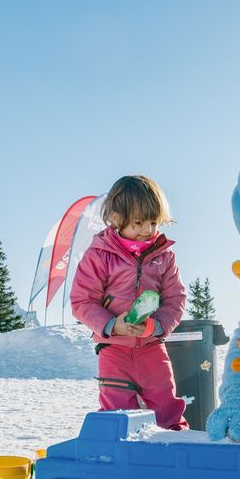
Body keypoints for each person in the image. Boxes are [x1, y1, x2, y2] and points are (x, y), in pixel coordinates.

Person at [70, 175, 188, 430]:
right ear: (115, 218)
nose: (147, 229)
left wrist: (155, 327)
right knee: (117, 412)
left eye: (153, 222)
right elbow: (82, 300)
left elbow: (175, 300)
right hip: (114, 349)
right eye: (138, 222)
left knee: (166, 405)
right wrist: (112, 324)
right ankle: (122, 460)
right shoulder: (99, 255)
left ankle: (177, 452)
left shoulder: (164, 256)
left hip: (151, 347)